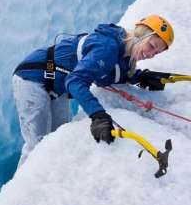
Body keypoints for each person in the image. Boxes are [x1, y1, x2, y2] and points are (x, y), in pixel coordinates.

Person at [12, 14, 175, 166]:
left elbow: (109, 74)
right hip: (33, 78)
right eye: (152, 46)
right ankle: (22, 194)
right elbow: (75, 81)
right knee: (37, 147)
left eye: (157, 52)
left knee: (55, 142)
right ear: (141, 35)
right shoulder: (108, 47)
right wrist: (97, 115)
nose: (152, 54)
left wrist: (141, 77)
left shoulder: (124, 56)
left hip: (56, 87)